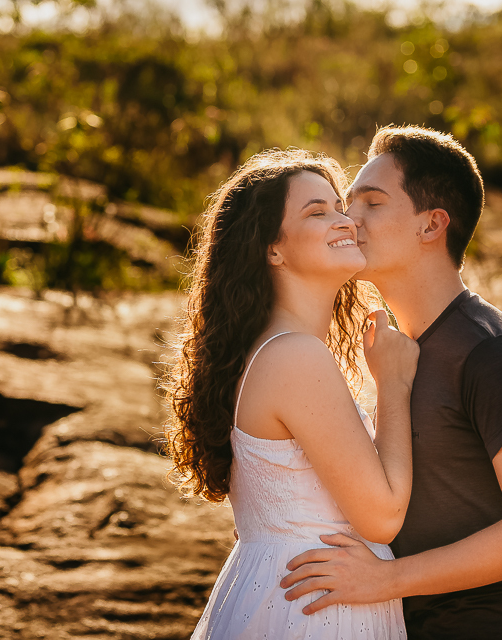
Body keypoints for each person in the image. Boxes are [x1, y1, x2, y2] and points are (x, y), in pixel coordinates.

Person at [279, 126, 502, 640]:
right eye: (348, 203)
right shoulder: (398, 350)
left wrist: (384, 580)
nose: (349, 219)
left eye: (371, 203)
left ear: (431, 226)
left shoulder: (489, 349)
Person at [162, 148, 419, 639]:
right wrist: (395, 384)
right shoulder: (295, 357)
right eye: (317, 212)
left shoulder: (271, 351)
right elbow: (382, 515)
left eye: (338, 207)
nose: (343, 221)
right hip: (317, 608)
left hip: (291, 591)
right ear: (272, 249)